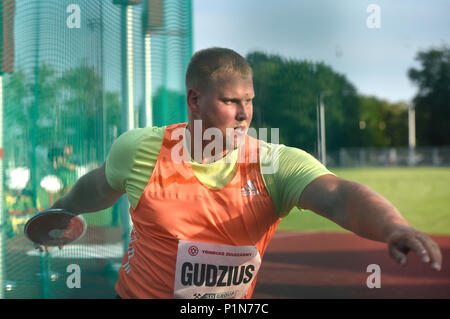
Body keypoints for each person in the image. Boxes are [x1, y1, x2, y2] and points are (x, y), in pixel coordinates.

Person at [48, 47, 442, 299]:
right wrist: (65, 209)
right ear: (195, 100)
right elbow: (98, 186)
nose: (243, 114)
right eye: (230, 101)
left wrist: (392, 226)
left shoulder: (273, 162)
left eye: (249, 101)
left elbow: (339, 194)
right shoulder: (142, 149)